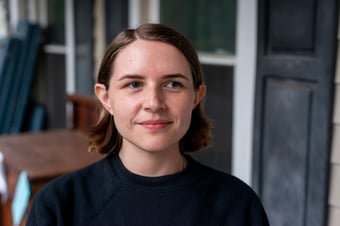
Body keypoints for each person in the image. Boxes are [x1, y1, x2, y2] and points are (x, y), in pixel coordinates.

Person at [26, 23, 269, 226]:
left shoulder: (237, 205)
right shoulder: (58, 206)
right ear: (106, 97)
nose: (154, 103)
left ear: (196, 96)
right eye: (134, 84)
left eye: (173, 84)